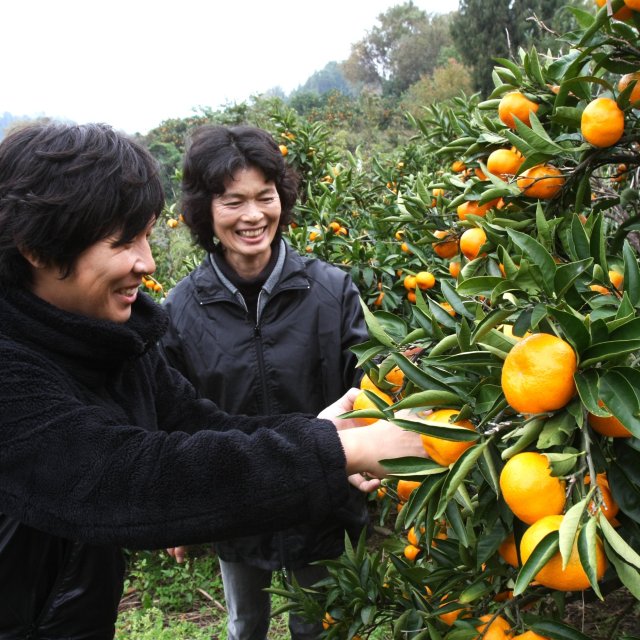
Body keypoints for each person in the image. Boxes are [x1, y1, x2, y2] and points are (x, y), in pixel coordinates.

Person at [0, 121, 425, 640]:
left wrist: (333, 437)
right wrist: (343, 453)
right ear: (38, 250)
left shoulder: (114, 342)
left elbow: (200, 424)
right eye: (122, 242)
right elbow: (123, 474)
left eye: (147, 236)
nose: (147, 262)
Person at [160, 124, 369, 640]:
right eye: (233, 201)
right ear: (205, 211)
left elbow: (366, 385)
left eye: (265, 197)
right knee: (245, 624)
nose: (253, 216)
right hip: (236, 505)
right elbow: (169, 415)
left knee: (316, 627)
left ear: (283, 199)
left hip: (322, 502)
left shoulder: (330, 290)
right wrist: (177, 510)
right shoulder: (181, 309)